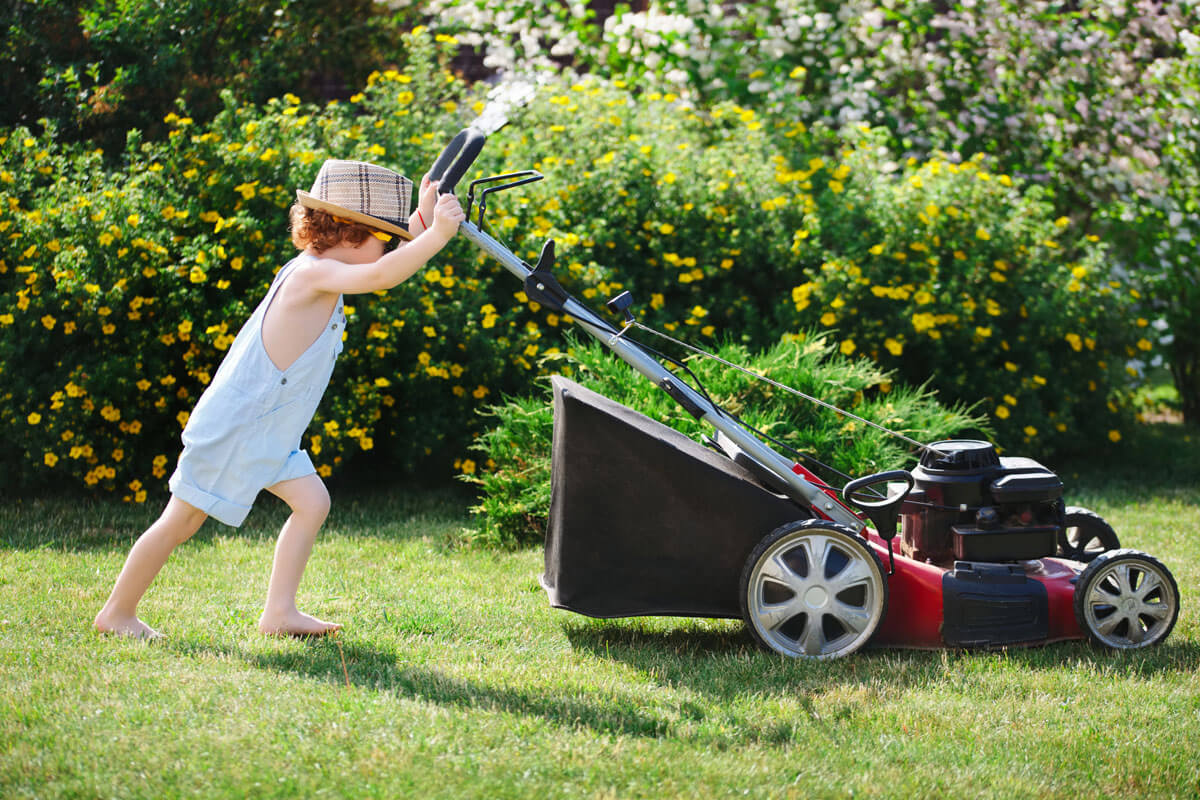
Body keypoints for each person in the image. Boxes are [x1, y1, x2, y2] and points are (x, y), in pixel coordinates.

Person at [94, 159, 465, 639]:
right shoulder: (312, 276)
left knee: (312, 503)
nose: (391, 248)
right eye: (385, 238)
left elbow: (381, 261)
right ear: (351, 235)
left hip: (270, 429)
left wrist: (421, 220)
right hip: (239, 424)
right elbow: (382, 275)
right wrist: (436, 237)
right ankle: (117, 613)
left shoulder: (330, 265)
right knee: (181, 520)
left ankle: (279, 614)